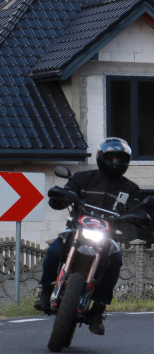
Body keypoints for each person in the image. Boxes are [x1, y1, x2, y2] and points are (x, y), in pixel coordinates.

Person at [33, 137, 144, 335]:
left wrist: (140, 214)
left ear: (127, 161)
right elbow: (64, 193)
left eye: (120, 158)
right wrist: (59, 196)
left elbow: (138, 208)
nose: (115, 162)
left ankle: (98, 310)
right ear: (101, 157)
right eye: (111, 157)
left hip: (106, 237)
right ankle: (46, 290)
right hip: (76, 231)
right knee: (54, 249)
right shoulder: (82, 178)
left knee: (116, 259)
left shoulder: (130, 189)